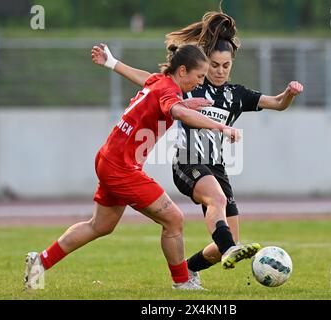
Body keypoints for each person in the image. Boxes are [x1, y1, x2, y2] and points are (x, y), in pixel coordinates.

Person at [91, 11, 303, 286]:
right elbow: (150, 81)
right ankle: (229, 250)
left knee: (229, 233)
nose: (219, 71)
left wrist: (289, 94)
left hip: (216, 167)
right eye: (214, 65)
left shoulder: (236, 95)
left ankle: (190, 268)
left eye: (226, 65)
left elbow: (276, 103)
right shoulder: (191, 84)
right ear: (205, 63)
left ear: (231, 64)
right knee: (217, 201)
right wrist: (113, 63)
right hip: (187, 161)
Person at [24, 44, 258, 291]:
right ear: (182, 71)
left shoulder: (159, 81)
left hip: (108, 158)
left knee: (100, 226)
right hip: (122, 168)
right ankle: (182, 281)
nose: (200, 82)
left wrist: (112, 63)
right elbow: (177, 112)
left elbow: (148, 82)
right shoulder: (168, 91)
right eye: (199, 76)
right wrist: (221, 127)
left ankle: (40, 261)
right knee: (174, 220)